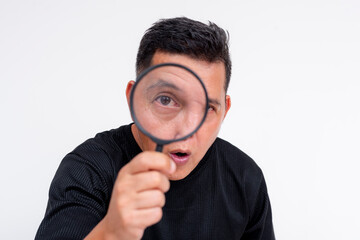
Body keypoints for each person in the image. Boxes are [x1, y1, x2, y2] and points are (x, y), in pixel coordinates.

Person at [35, 17, 275, 240]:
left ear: (224, 111)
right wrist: (111, 232)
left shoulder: (245, 178)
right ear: (133, 100)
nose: (185, 130)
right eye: (166, 100)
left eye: (207, 108)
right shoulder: (88, 169)